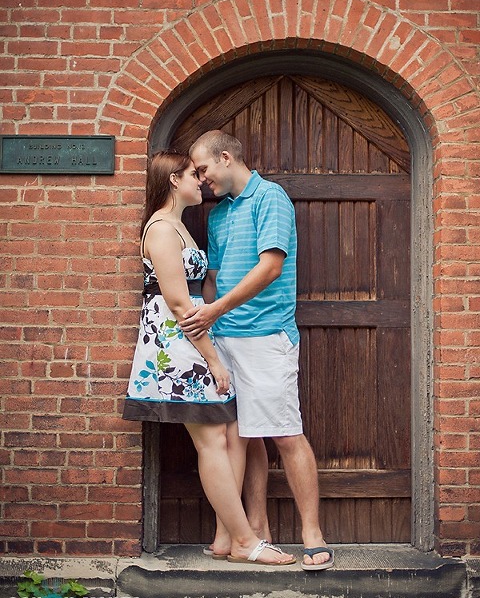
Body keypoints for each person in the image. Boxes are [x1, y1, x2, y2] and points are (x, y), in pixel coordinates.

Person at [122, 149, 295, 567]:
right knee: (214, 440)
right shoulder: (162, 229)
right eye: (191, 174)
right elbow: (180, 305)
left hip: (193, 340)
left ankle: (224, 537)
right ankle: (243, 541)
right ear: (173, 181)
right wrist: (215, 361)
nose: (200, 181)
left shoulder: (179, 227)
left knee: (230, 434)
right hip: (177, 345)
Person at [180, 131, 334, 571]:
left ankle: (312, 534)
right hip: (224, 337)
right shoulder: (218, 215)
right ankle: (257, 528)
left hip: (266, 335)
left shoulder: (272, 198)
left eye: (205, 169)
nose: (202, 179)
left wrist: (214, 310)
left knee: (285, 432)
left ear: (226, 158)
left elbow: (270, 266)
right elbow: (213, 277)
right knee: (244, 437)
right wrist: (206, 325)